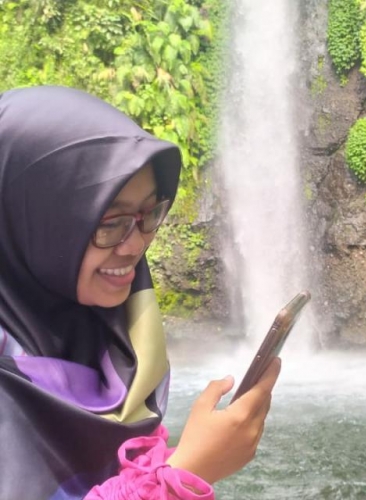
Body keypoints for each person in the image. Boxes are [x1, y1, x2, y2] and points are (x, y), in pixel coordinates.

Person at [0, 85, 281, 500]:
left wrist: (186, 461)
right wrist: (183, 475)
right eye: (109, 223)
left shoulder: (122, 343)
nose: (135, 245)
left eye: (149, 214)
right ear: (30, 222)